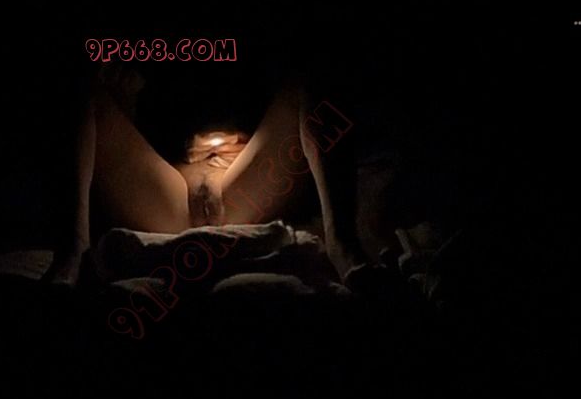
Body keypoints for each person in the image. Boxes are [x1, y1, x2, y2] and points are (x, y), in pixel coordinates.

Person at [43, 63, 373, 289]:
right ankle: (72, 250)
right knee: (81, 87)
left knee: (314, 79)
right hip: (164, 191)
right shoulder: (153, 54)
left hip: (245, 185)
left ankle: (343, 243)